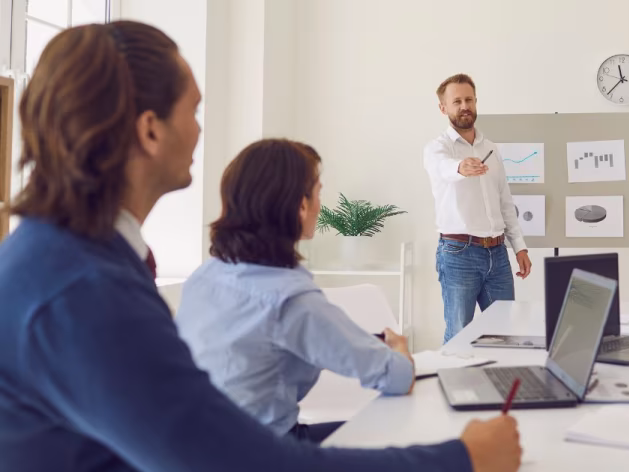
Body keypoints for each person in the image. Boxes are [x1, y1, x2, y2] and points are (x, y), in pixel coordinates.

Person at [0, 21, 521, 472]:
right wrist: (461, 460)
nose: (200, 129)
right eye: (194, 110)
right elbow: (239, 462)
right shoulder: (81, 290)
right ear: (150, 130)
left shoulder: (72, 258)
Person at [175, 139, 414, 443]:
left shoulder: (204, 276)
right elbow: (398, 377)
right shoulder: (291, 301)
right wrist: (400, 347)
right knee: (400, 435)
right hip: (265, 453)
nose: (319, 205)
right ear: (301, 206)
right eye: (318, 193)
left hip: (196, 446)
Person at [424, 73, 532, 343]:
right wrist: (460, 167)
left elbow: (505, 201)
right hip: (459, 254)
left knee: (504, 334)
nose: (464, 106)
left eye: (469, 100)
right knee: (459, 334)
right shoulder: (437, 149)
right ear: (443, 108)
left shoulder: (491, 148)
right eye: (457, 101)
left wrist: (519, 247)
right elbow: (443, 168)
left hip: (498, 254)